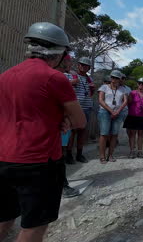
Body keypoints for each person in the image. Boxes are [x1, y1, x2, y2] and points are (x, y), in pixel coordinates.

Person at [0, 22, 86, 242]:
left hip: (4, 157)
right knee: (34, 225)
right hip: (39, 161)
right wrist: (63, 119)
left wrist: (57, 118)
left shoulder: (6, 75)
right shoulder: (55, 78)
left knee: (5, 217)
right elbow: (79, 120)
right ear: (58, 52)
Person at [58, 54, 80, 198]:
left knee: (61, 151)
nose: (70, 64)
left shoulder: (67, 77)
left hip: (63, 119)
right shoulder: (59, 78)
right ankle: (62, 185)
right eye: (68, 61)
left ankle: (61, 183)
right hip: (58, 120)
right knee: (57, 152)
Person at [65, 57, 94, 164]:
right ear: (78, 65)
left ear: (89, 67)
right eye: (81, 64)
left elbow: (90, 94)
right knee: (72, 132)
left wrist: (92, 88)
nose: (83, 66)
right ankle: (68, 155)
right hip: (74, 108)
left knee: (82, 131)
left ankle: (79, 154)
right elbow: (62, 86)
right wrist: (73, 82)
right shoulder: (70, 75)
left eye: (85, 65)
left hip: (86, 108)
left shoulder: (90, 79)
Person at [97, 70, 128, 164]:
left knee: (114, 134)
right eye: (113, 77)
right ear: (110, 78)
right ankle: (102, 156)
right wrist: (111, 111)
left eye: (117, 78)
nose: (114, 80)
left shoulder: (122, 89)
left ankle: (110, 155)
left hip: (118, 113)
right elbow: (101, 100)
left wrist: (117, 111)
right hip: (105, 112)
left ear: (120, 79)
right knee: (104, 133)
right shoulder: (104, 87)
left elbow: (125, 101)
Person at [123, 77, 143, 158]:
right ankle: (132, 151)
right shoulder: (132, 93)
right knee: (132, 134)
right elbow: (128, 103)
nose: (141, 85)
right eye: (139, 83)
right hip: (133, 116)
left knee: (141, 134)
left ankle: (140, 151)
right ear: (137, 84)